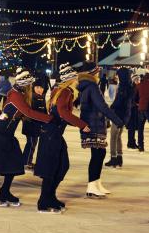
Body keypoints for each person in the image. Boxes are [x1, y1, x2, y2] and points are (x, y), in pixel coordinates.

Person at [0, 68, 52, 207]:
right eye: (31, 84)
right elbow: (28, 112)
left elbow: (26, 113)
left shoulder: (19, 93)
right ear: (26, 84)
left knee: (14, 163)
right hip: (0, 132)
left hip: (7, 133)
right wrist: (50, 119)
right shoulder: (16, 95)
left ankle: (4, 191)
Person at [35, 63, 89, 213]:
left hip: (53, 133)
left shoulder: (60, 90)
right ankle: (43, 201)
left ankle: (50, 196)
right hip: (52, 134)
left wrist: (77, 123)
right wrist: (82, 125)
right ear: (70, 79)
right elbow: (63, 113)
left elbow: (61, 115)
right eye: (75, 78)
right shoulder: (65, 92)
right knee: (53, 168)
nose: (77, 80)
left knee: (61, 166)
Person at [77, 62, 123, 198]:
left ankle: (96, 183)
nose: (98, 74)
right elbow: (102, 106)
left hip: (92, 123)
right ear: (92, 73)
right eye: (96, 72)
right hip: (94, 124)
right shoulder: (91, 86)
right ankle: (92, 186)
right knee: (97, 155)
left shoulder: (87, 85)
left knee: (99, 154)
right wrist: (117, 120)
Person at [105, 68, 133, 168]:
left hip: (119, 115)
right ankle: (119, 157)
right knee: (118, 137)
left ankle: (113, 158)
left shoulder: (123, 87)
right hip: (125, 115)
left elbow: (119, 102)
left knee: (113, 137)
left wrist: (110, 108)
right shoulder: (130, 86)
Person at [22, 78, 47, 170]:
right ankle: (26, 161)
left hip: (37, 126)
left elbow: (43, 112)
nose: (39, 89)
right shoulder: (32, 98)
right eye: (37, 87)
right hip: (31, 125)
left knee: (32, 144)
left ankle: (26, 160)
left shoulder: (41, 97)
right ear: (33, 87)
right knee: (31, 144)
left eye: (41, 87)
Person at [136, 70, 149, 153]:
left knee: (140, 128)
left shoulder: (139, 85)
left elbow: (135, 97)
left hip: (141, 108)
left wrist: (138, 103)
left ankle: (141, 146)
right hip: (148, 108)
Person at [126, 73, 140, 149]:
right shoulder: (133, 88)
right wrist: (136, 104)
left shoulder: (136, 87)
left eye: (139, 79)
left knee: (133, 127)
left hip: (134, 109)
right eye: (137, 79)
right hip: (132, 109)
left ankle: (132, 142)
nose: (138, 81)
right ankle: (131, 143)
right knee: (132, 127)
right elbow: (131, 99)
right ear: (134, 80)